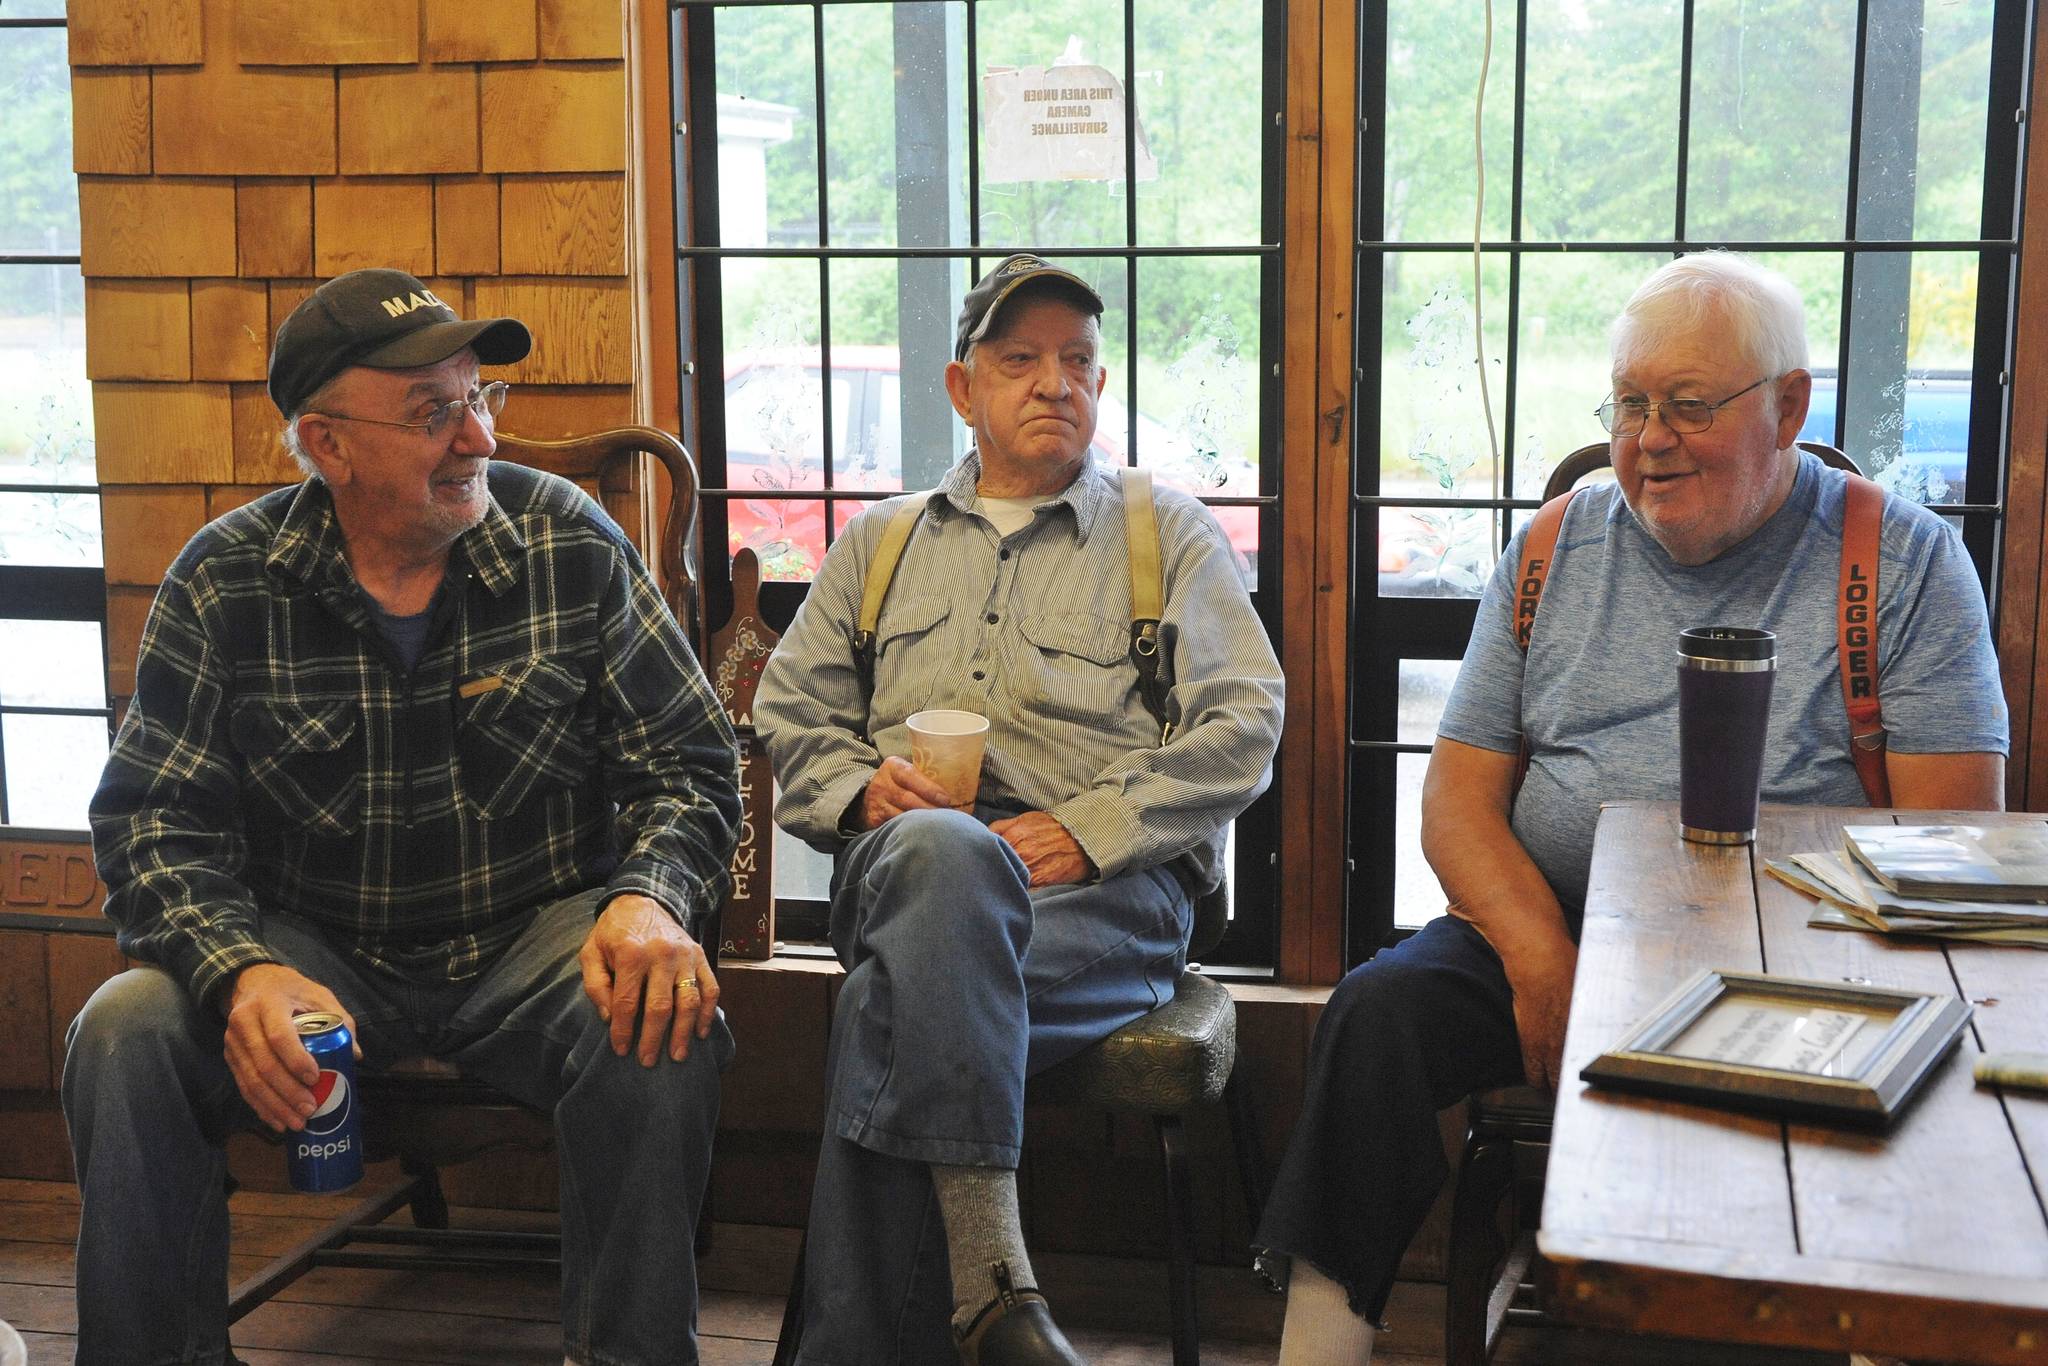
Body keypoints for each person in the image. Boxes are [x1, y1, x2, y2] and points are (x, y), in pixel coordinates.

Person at [1254, 251, 2009, 1364]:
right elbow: (1458, 800)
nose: (1648, 438)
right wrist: (1539, 954)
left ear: (1787, 406)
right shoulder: (1554, 545)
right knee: (1378, 1013)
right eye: (1628, 404)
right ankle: (1319, 1344)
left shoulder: (1893, 562)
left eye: (1687, 406)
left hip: (1804, 963)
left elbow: (1947, 844)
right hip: (1556, 918)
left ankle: (1815, 1322)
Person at [63, 268, 742, 1366]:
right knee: (123, 1030)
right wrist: (239, 969)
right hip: (313, 953)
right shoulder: (226, 583)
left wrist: (651, 897)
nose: (476, 436)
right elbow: (151, 828)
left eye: (481, 398)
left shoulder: (568, 544)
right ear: (327, 446)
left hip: (534, 942)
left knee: (664, 1016)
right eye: (433, 412)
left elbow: (691, 762)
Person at [751, 254, 1284, 1366]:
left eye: (1079, 362)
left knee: (878, 1011)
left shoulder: (1163, 535)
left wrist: (1089, 828)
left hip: (1101, 901)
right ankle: (994, 1293)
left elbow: (1242, 722)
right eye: (1021, 360)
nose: (1057, 383)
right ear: (961, 387)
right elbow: (788, 707)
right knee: (937, 863)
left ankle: (903, 1326)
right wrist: (857, 792)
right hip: (901, 871)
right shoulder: (880, 541)